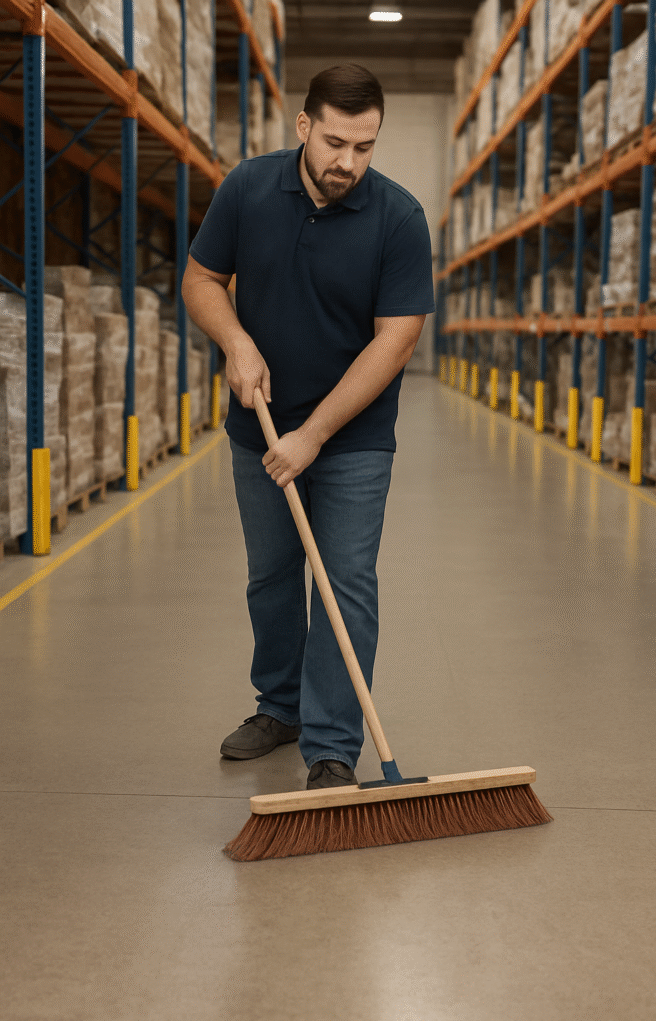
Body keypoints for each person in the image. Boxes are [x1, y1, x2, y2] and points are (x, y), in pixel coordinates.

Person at [182, 64, 434, 789]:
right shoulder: (248, 190)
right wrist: (237, 342)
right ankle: (280, 706)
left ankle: (329, 745)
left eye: (363, 147)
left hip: (349, 438)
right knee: (271, 576)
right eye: (333, 143)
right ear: (303, 127)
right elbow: (201, 280)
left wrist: (315, 434)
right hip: (257, 426)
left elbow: (395, 341)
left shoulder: (399, 218)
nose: (346, 163)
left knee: (343, 582)